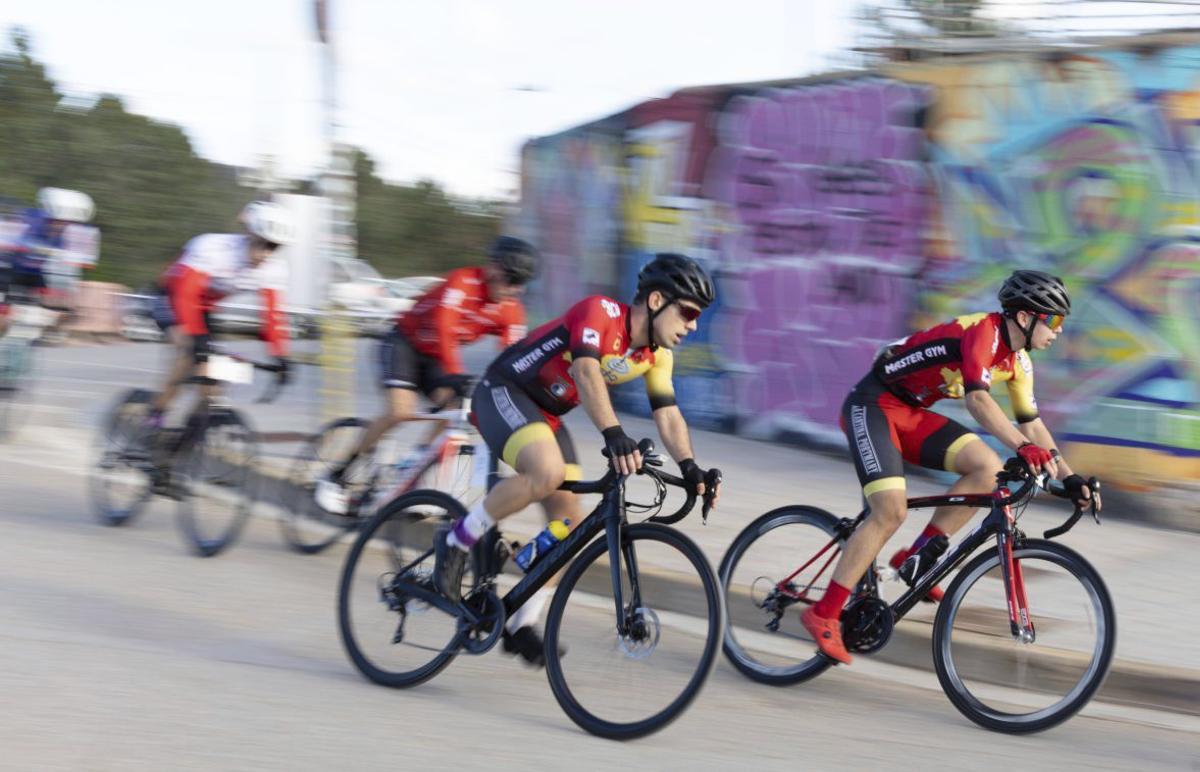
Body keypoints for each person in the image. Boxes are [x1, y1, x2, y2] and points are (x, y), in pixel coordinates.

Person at [432, 252, 723, 665]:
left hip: (546, 414)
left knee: (568, 530)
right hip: (505, 390)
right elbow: (586, 373)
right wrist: (614, 434)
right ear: (656, 301)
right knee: (546, 472)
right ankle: (456, 539)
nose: (692, 326)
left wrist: (690, 466)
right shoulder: (599, 313)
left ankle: (520, 623)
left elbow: (668, 414)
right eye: (689, 312)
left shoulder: (657, 355)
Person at [802, 269, 1102, 665]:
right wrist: (1025, 448)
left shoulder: (1019, 362)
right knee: (890, 510)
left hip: (909, 412)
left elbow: (1032, 422)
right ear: (1026, 318)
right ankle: (824, 613)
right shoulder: (984, 332)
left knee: (985, 467)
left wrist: (1070, 477)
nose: (1059, 330)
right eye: (1055, 319)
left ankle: (917, 556)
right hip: (872, 405)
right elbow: (979, 402)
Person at [313, 236, 538, 515]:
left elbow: (512, 356)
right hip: (403, 343)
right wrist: (455, 372)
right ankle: (341, 471)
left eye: (520, 284)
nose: (513, 290)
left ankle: (413, 466)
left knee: (457, 408)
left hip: (434, 357)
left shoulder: (511, 310)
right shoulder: (464, 282)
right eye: (510, 280)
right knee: (400, 411)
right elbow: (444, 327)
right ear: (493, 268)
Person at [147, 200, 295, 425]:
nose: (266, 254)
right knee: (189, 354)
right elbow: (185, 295)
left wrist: (281, 356)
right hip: (171, 297)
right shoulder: (213, 249)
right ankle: (155, 416)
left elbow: (273, 316)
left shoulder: (274, 269)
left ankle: (193, 435)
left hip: (202, 309)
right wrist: (196, 342)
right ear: (249, 235)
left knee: (219, 374)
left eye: (274, 247)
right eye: (262, 244)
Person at [8, 187, 96, 310]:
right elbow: (16, 239)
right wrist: (38, 248)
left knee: (60, 304)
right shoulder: (31, 219)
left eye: (68, 223)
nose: (63, 227)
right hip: (13, 268)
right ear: (49, 218)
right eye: (59, 222)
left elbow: (82, 255)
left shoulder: (71, 232)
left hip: (38, 273)